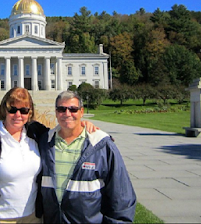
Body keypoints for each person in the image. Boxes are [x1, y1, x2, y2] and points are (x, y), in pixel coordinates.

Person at [0, 87, 98, 224]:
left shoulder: (36, 133)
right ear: (4, 110)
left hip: (34, 217)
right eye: (12, 109)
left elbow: (62, 132)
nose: (18, 115)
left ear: (29, 112)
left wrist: (81, 125)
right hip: (3, 218)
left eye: (24, 110)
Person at [39, 90, 136, 223]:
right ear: (56, 112)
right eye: (62, 109)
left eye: (73, 109)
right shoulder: (44, 142)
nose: (67, 114)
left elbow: (121, 197)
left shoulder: (101, 145)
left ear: (81, 112)